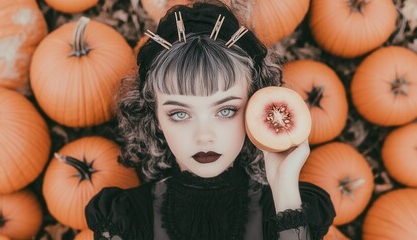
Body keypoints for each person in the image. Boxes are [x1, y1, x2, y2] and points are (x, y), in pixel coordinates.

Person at [85, 1, 335, 239]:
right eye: (180, 114)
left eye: (226, 110)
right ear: (155, 117)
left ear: (254, 106)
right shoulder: (123, 219)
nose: (204, 136)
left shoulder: (291, 210)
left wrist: (284, 188)